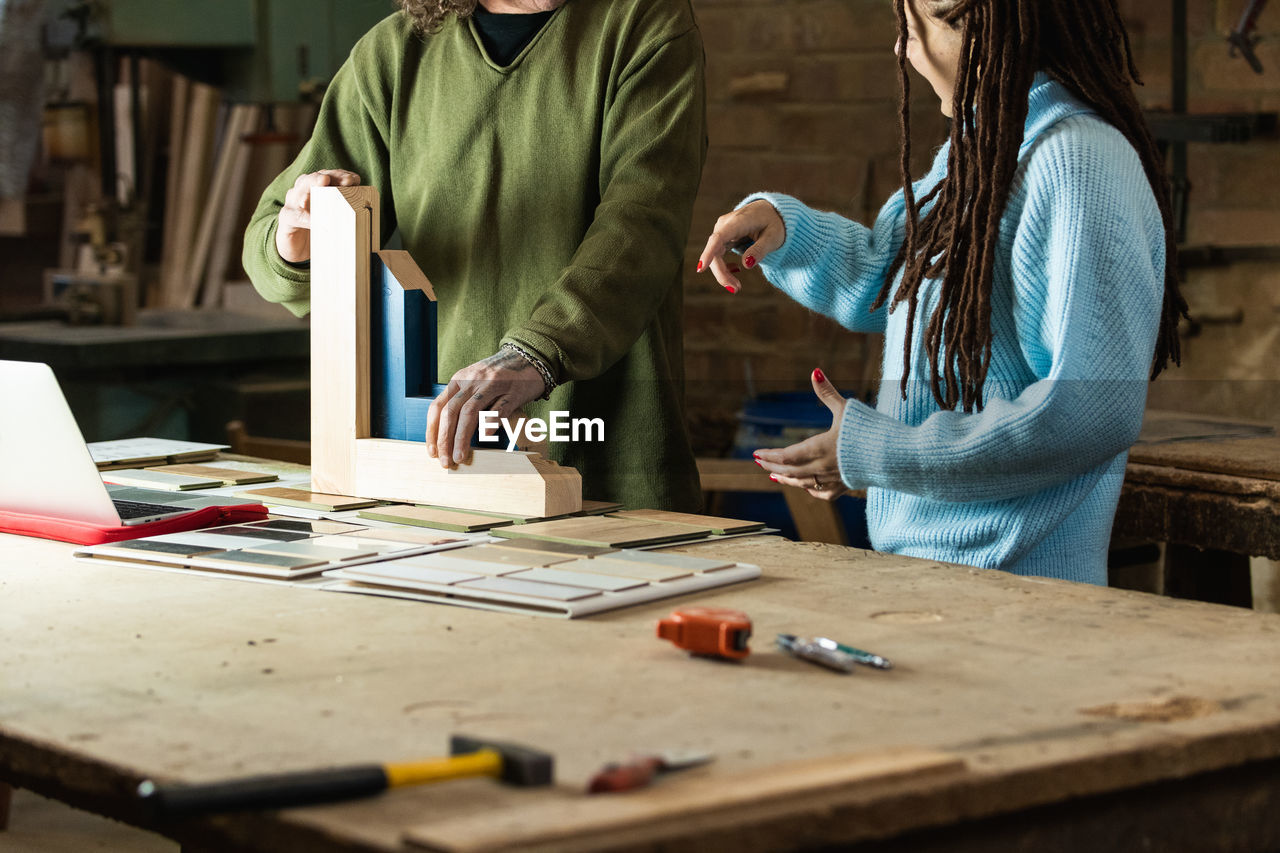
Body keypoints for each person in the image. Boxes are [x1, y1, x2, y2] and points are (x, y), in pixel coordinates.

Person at [698, 0, 1187, 585]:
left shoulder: (1077, 160)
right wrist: (785, 231)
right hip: (930, 575)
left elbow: (1090, 412)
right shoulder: (979, 149)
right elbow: (892, 279)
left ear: (976, 28)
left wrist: (877, 453)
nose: (903, 50)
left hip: (1021, 588)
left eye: (911, 30)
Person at [243, 0, 706, 511]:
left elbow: (643, 220)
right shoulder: (394, 53)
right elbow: (273, 250)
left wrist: (537, 353)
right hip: (447, 460)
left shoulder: (641, 19)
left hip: (608, 449)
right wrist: (297, 242)